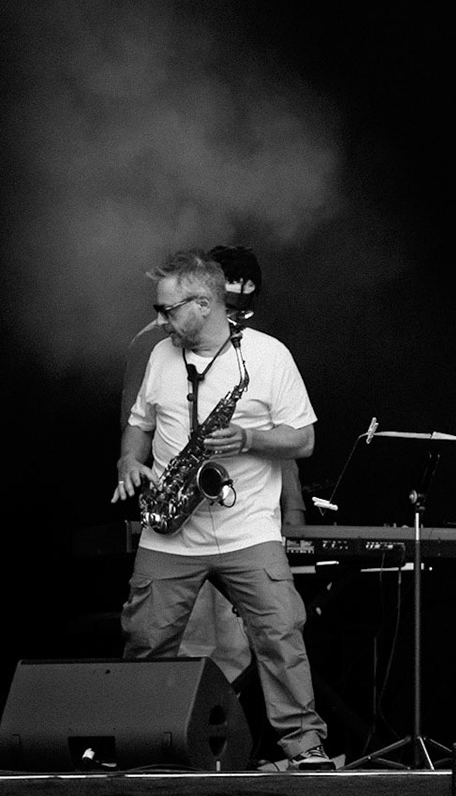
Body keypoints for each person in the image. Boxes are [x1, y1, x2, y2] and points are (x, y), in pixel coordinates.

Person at [111, 248, 332, 770]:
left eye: (168, 310)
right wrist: (127, 460)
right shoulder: (160, 355)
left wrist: (250, 437)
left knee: (280, 635)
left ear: (205, 303)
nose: (159, 320)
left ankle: (304, 747)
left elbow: (303, 440)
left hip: (247, 528)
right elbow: (140, 423)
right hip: (170, 531)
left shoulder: (268, 356)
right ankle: (138, 744)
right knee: (144, 641)